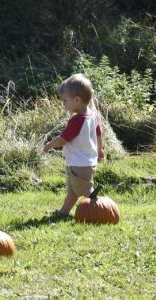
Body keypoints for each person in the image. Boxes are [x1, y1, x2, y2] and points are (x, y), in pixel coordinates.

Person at [43, 73, 104, 216]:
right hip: (85, 162)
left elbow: (63, 139)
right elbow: (99, 133)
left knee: (84, 190)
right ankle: (63, 212)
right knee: (72, 191)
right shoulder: (93, 115)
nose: (63, 104)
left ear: (77, 100)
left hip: (79, 164)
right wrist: (100, 150)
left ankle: (99, 210)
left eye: (65, 101)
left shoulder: (77, 120)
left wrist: (48, 146)